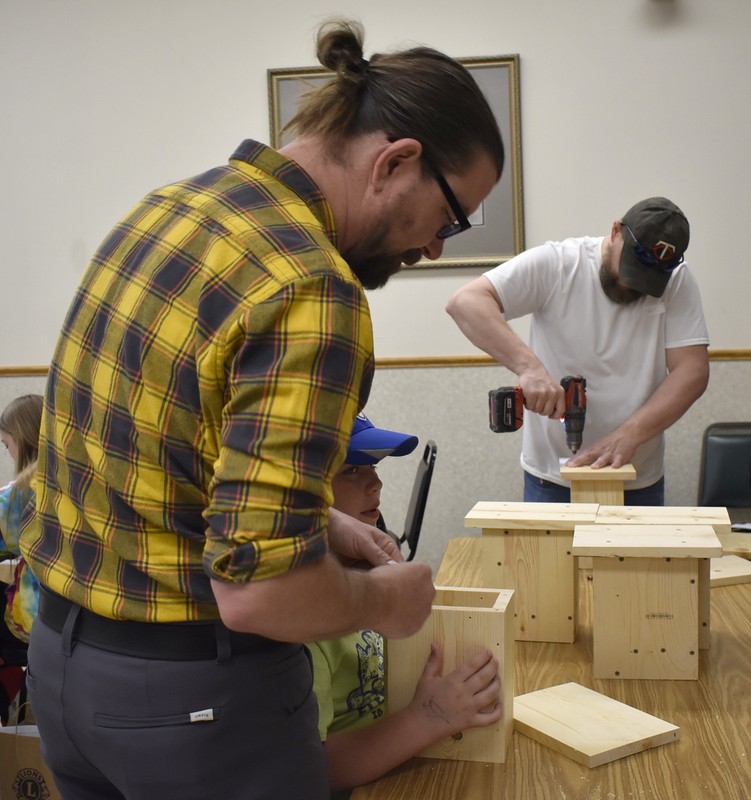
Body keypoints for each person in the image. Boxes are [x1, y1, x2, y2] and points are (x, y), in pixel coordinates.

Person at [19, 18, 505, 800]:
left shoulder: (167, 209)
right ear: (397, 161)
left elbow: (159, 463)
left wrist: (322, 523)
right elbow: (262, 595)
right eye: (448, 218)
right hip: (193, 706)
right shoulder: (312, 289)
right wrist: (386, 601)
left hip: (65, 672)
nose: (436, 249)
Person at [446, 197, 709, 505]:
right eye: (631, 268)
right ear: (615, 232)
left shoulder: (677, 280)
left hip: (637, 477)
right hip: (551, 478)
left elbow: (691, 371)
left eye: (647, 279)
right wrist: (529, 368)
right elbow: (466, 302)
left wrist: (631, 433)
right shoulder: (559, 264)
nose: (632, 284)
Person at [309, 414, 502, 796]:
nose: (376, 483)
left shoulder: (366, 576)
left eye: (373, 467)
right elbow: (318, 765)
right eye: (351, 470)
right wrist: (428, 718)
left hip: (404, 754)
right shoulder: (305, 624)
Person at [0, 394, 43, 723]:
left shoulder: (17, 495)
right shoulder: (78, 479)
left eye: (6, 444)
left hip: (34, 622)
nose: (8, 453)